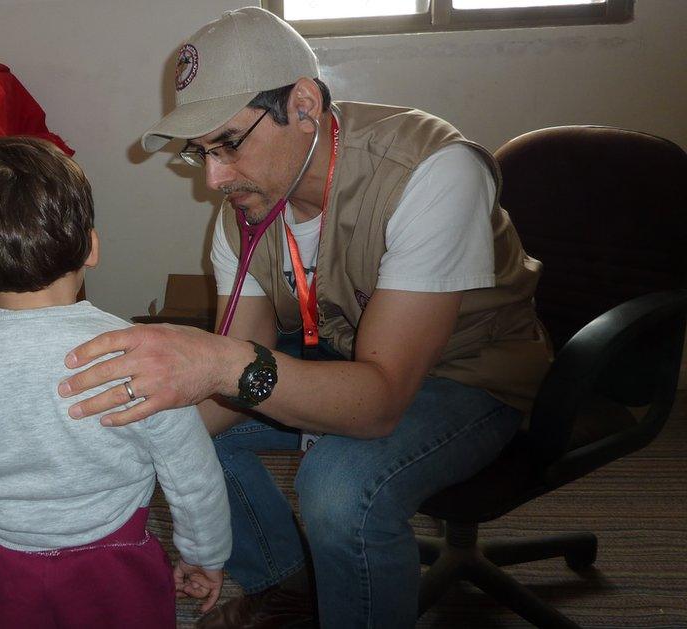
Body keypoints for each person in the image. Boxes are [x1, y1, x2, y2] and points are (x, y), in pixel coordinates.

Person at [58, 6, 554, 629]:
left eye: (230, 143)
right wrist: (116, 444)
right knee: (177, 433)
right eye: (200, 153)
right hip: (350, 360)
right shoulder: (244, 210)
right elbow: (230, 376)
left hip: (472, 374)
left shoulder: (431, 171)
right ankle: (285, 589)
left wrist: (218, 362)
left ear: (303, 105)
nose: (214, 178)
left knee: (339, 490)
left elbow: (375, 401)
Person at [0, 136, 231, 628]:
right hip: (120, 560)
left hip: (13, 570)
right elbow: (192, 474)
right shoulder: (140, 352)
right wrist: (205, 553)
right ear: (92, 246)